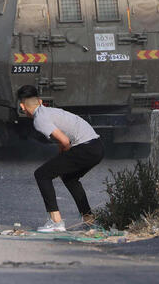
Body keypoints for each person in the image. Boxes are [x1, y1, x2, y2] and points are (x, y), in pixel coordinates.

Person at [17, 85, 104, 233]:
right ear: (40, 101)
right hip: (97, 147)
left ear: (22, 106)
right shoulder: (48, 111)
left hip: (85, 148)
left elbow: (64, 142)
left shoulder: (39, 119)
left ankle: (56, 222)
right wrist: (62, 157)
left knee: (42, 174)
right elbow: (63, 141)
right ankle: (90, 221)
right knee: (69, 178)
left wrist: (62, 156)